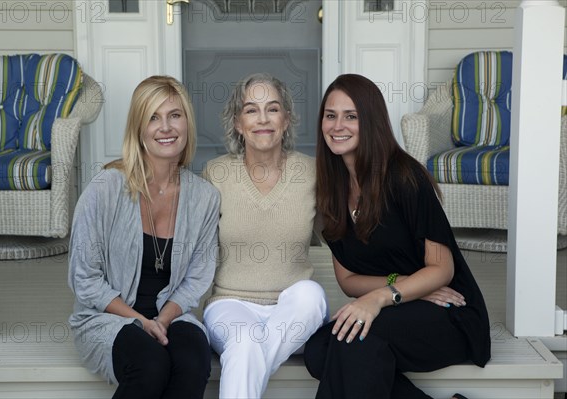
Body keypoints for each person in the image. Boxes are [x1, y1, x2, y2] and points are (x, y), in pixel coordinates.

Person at [303, 74, 491, 399]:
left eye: (351, 116)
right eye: (330, 115)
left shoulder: (404, 177)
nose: (338, 125)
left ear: (372, 121)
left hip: (450, 312)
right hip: (404, 303)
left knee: (353, 339)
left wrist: (379, 298)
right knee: (319, 348)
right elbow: (348, 279)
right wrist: (402, 286)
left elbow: (441, 270)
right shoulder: (330, 193)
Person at [68, 75, 220, 399]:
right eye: (153, 117)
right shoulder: (105, 189)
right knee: (150, 364)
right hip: (106, 319)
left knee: (193, 361)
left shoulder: (205, 197)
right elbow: (85, 277)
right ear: (139, 129)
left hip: (171, 317)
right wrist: (140, 320)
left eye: (174, 115)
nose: (165, 127)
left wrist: (162, 320)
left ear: (187, 124)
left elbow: (197, 277)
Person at [202, 72, 329, 398]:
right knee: (243, 342)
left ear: (286, 119)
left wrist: (394, 284)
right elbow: (195, 250)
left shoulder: (312, 172)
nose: (262, 119)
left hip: (293, 309)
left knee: (311, 295)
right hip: (229, 304)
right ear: (237, 122)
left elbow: (348, 241)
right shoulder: (216, 173)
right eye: (251, 110)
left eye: (272, 109)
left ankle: (250, 364)